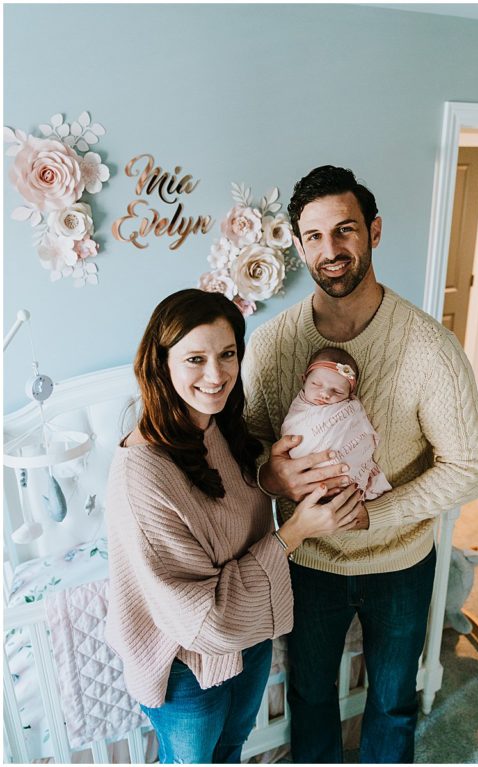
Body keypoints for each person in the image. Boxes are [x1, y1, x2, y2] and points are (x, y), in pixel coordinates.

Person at [241, 165, 478, 763]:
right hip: (309, 558)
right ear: (300, 246)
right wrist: (267, 476)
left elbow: (471, 466)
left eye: (345, 230)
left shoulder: (428, 347)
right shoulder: (273, 346)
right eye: (314, 237)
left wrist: (374, 515)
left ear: (374, 231)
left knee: (393, 700)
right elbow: (245, 444)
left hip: (401, 559)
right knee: (309, 693)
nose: (330, 251)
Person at [105, 289, 362, 764]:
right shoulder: (143, 474)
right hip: (185, 661)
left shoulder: (219, 426)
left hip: (247, 636)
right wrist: (295, 533)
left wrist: (273, 477)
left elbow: (235, 507)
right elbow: (203, 617)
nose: (216, 374)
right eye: (195, 359)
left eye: (227, 355)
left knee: (231, 750)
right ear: (161, 364)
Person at [280, 346, 392, 500]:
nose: (325, 394)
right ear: (304, 380)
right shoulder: (299, 412)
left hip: (347, 482)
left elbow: (358, 433)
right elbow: (291, 435)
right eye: (316, 385)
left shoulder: (349, 410)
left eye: (337, 392)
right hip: (305, 485)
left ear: (349, 395)